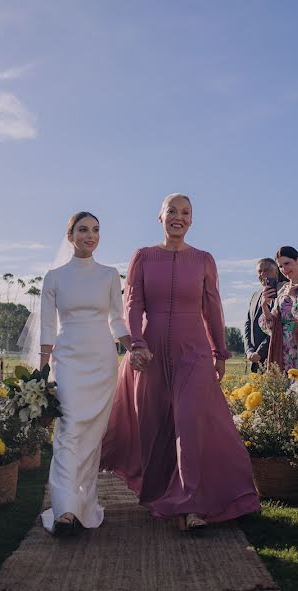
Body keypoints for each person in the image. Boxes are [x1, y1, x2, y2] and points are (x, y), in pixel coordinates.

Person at [102, 193, 259, 531]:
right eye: (172, 211)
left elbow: (212, 308)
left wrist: (220, 351)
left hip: (194, 351)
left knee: (190, 424)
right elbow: (133, 303)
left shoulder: (204, 259)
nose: (179, 217)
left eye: (186, 212)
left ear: (192, 220)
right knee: (154, 424)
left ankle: (192, 504)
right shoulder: (142, 257)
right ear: (160, 217)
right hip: (152, 351)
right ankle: (159, 493)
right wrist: (137, 343)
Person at [36, 211, 131, 535]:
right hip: (69, 361)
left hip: (102, 362)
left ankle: (83, 505)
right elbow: (48, 325)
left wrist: (133, 346)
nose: (90, 235)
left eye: (95, 230)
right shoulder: (55, 277)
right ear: (70, 236)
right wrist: (41, 369)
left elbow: (117, 320)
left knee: (91, 438)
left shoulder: (109, 274)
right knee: (69, 430)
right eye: (83, 230)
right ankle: (64, 508)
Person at [260, 246, 298, 373]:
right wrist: (264, 306)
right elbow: (272, 326)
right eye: (281, 266)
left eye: (287, 263)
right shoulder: (282, 290)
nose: (284, 269)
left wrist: (295, 296)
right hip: (283, 350)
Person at [243, 258, 279, 373]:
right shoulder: (255, 295)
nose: (263, 274)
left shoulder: (281, 293)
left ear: (276, 272)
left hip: (274, 357)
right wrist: (249, 350)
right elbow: (248, 325)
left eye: (267, 270)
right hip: (254, 360)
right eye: (260, 271)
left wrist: (260, 352)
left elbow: (277, 326)